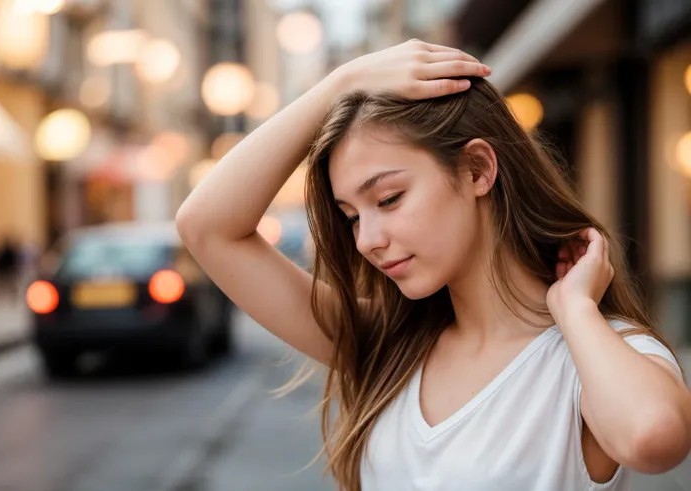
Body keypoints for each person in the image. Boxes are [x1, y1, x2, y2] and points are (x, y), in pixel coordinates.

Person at [176, 40, 691, 491]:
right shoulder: (389, 346)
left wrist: (575, 310)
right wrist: (342, 83)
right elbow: (206, 226)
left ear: (477, 169)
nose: (367, 241)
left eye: (390, 198)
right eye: (351, 217)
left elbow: (653, 438)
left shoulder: (595, 354)